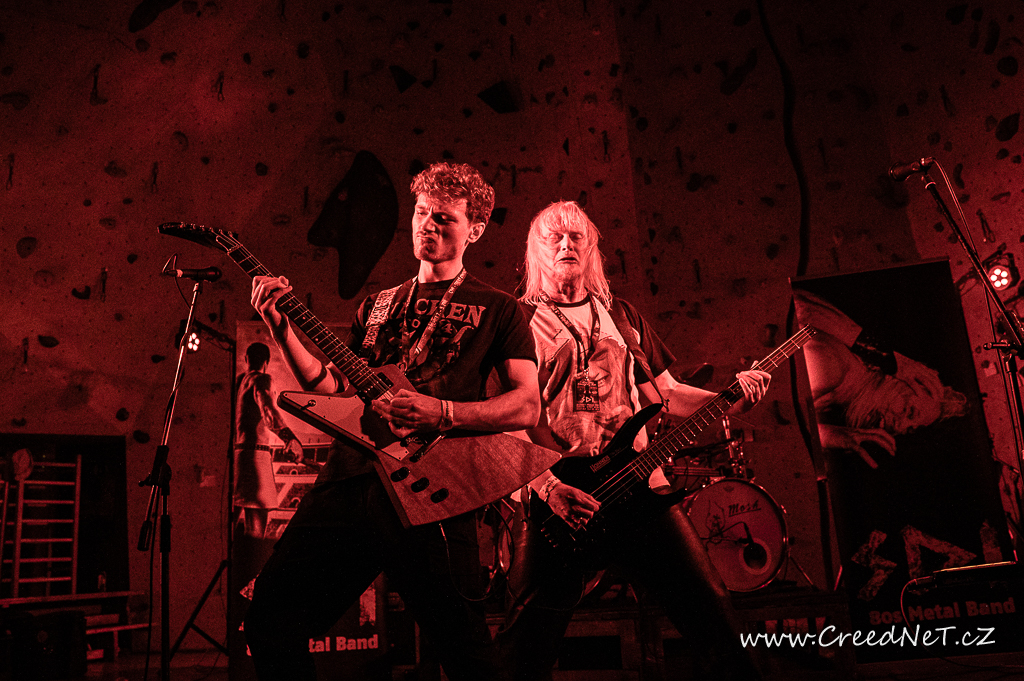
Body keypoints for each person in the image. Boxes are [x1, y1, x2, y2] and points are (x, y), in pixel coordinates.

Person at [243, 162, 540, 681]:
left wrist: (442, 412)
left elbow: (526, 405)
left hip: (431, 493)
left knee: (465, 653)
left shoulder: (499, 309)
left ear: (475, 229)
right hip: (348, 482)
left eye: (444, 218)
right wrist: (282, 330)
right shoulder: (378, 305)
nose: (428, 225)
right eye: (422, 213)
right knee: (271, 620)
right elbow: (332, 388)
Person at [496, 200, 770, 681]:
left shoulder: (620, 315)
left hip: (639, 483)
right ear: (534, 251)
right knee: (524, 649)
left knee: (714, 618)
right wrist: (548, 488)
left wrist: (731, 400)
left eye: (577, 237)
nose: (566, 245)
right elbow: (508, 420)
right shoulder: (517, 320)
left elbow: (668, 394)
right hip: (561, 493)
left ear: (592, 249)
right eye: (553, 237)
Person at [792, 288, 967, 468]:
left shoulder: (838, 386)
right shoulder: (832, 369)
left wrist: (826, 434)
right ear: (898, 380)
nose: (898, 428)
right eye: (908, 411)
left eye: (908, 430)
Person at [234, 341, 305, 538]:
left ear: (247, 359)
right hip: (255, 458)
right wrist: (290, 439)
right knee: (255, 532)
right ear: (267, 361)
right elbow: (269, 412)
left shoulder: (238, 383)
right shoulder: (262, 379)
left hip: (235, 456)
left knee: (227, 528)